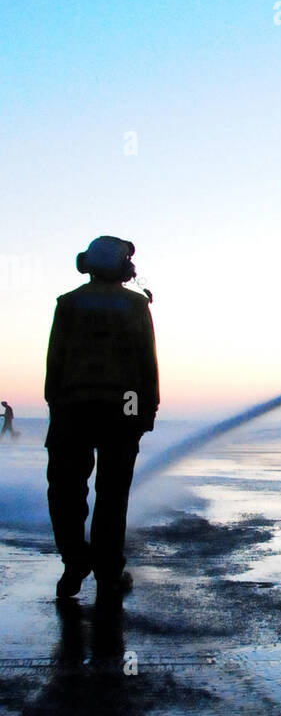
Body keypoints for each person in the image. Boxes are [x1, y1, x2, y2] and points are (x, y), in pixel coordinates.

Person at [45, 236, 159, 605]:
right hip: (123, 406)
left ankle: (74, 563)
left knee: (66, 491)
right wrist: (146, 410)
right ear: (123, 267)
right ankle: (108, 573)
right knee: (113, 494)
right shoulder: (136, 304)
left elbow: (55, 361)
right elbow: (146, 362)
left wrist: (56, 406)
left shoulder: (69, 303)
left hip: (72, 406)